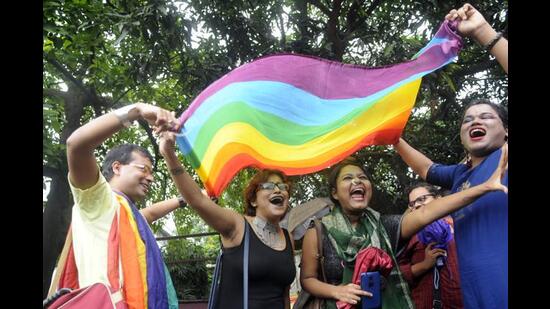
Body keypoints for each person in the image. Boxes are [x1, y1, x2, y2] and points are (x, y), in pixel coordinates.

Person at [394, 4, 508, 308]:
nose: (475, 122)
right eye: (468, 119)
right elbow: (426, 168)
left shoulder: (506, 158)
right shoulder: (460, 175)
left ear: (506, 131)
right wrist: (391, 136)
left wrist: (484, 32)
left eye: (487, 117)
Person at [299, 148, 506, 309]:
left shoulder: (384, 225)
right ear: (335, 193)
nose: (357, 181)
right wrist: (337, 292)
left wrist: (485, 186)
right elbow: (308, 279)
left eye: (362, 177)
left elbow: (426, 212)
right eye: (348, 178)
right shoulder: (318, 230)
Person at [52, 102, 182, 309]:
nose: (150, 178)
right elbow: (76, 145)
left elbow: (148, 214)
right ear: (117, 167)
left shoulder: (124, 211)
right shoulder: (97, 196)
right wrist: (137, 110)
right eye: (143, 169)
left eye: (152, 173)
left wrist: (185, 199)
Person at [158, 131, 296, 309]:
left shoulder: (288, 238)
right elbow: (197, 200)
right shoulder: (237, 225)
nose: (278, 190)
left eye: (283, 187)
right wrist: (169, 154)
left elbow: (284, 294)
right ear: (253, 200)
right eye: (269, 186)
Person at [398, 183, 463, 309]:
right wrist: (424, 265)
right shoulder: (408, 234)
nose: (416, 205)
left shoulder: (460, 225)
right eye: (412, 204)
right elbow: (395, 274)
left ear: (438, 199)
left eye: (422, 199)